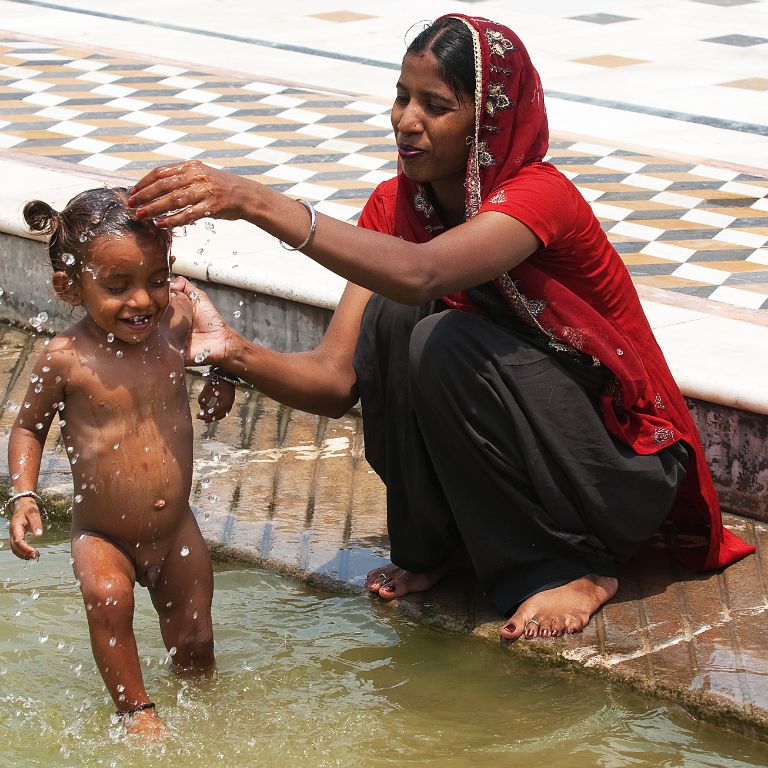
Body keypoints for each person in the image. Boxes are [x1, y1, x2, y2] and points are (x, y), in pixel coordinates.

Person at [127, 14, 754, 643]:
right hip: (537, 460)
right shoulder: (395, 206)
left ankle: (573, 570)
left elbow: (424, 272)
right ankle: (442, 549)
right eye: (401, 97)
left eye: (436, 105)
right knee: (400, 319)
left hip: (613, 474)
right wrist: (229, 350)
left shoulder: (540, 196)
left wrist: (257, 202)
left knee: (438, 334)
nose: (406, 120)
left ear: (486, 120)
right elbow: (335, 378)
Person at [7, 187, 235, 735]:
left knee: (197, 637)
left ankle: (203, 714)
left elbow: (201, 313)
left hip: (176, 527)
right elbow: (27, 426)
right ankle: (137, 710)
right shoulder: (66, 357)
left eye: (155, 280)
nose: (141, 301)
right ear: (70, 287)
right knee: (110, 604)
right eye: (117, 287)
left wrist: (221, 375)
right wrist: (23, 492)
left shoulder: (170, 326)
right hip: (102, 534)